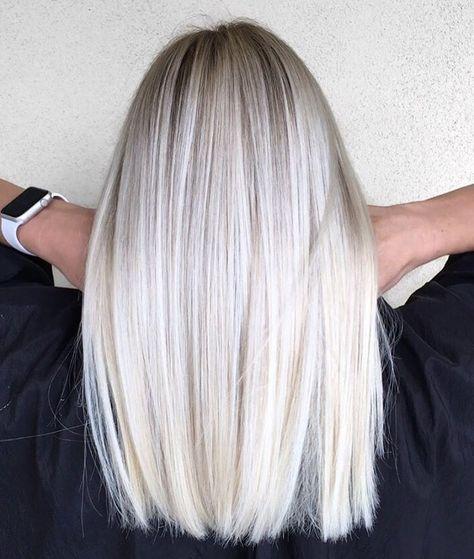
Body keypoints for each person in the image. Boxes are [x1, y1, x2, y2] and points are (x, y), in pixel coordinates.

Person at [1, 18, 473, 559]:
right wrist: (415, 226)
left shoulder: (23, 384)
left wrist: (48, 222)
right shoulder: (443, 398)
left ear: (135, 199)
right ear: (328, 186)